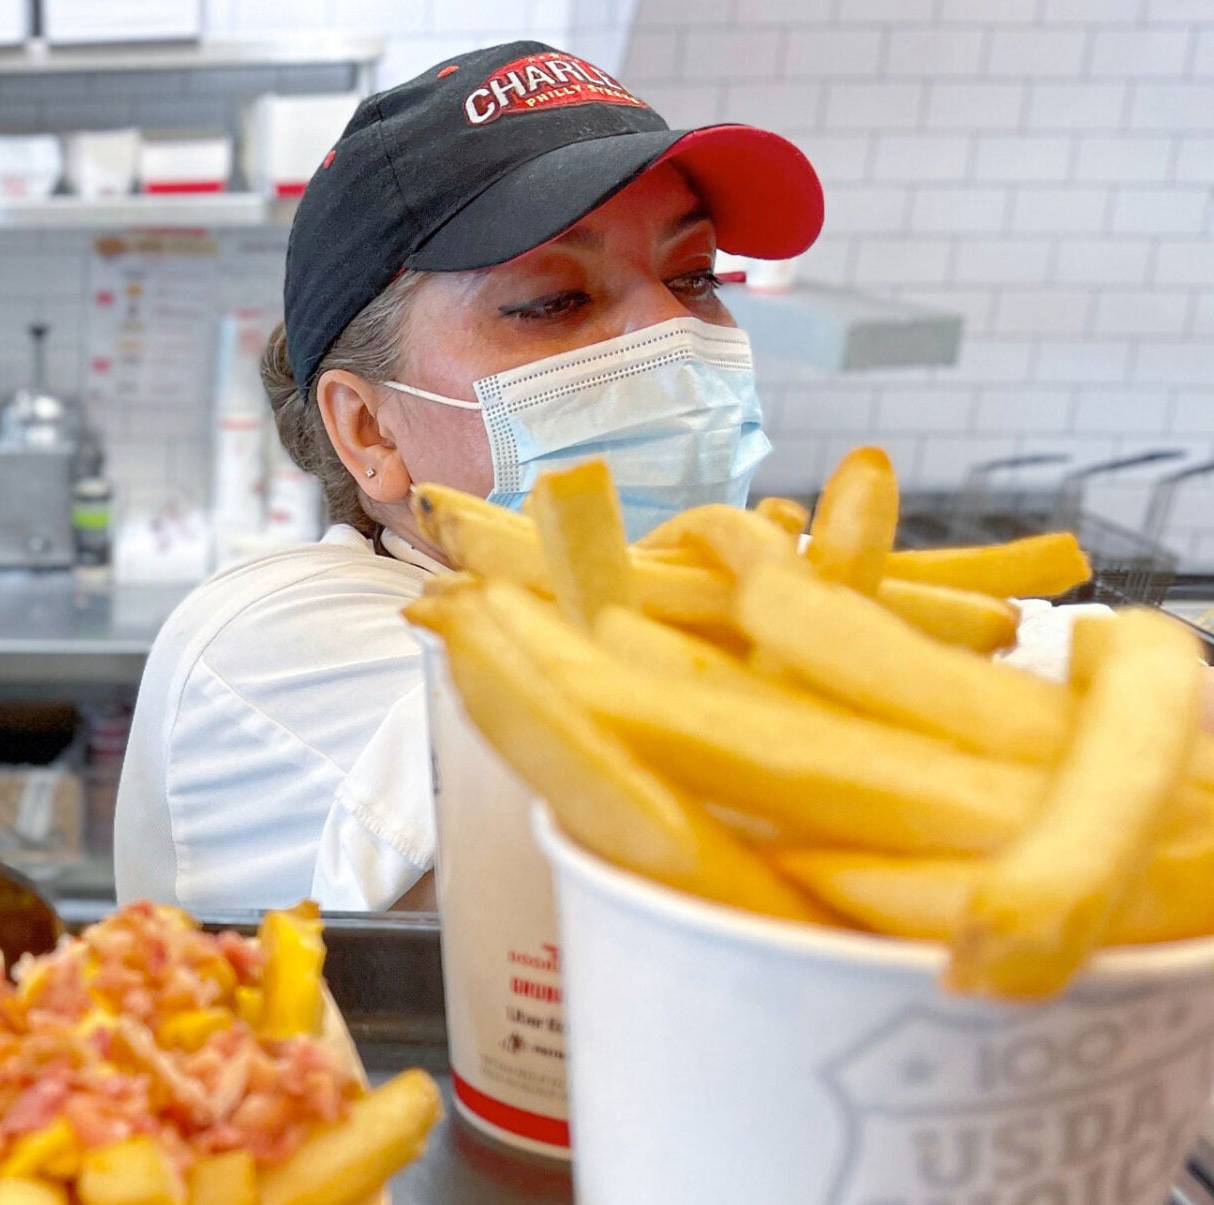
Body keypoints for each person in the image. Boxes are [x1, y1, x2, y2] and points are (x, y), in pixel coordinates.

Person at [114, 41, 827, 913]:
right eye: (553, 300)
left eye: (694, 276)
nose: (670, 336)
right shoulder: (275, 639)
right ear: (369, 427)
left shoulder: (761, 585)